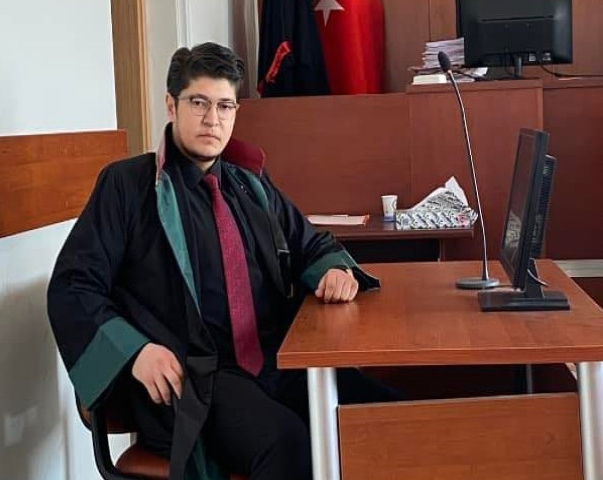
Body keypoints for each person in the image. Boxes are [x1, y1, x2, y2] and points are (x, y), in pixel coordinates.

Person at [48, 42, 395, 480]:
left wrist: (334, 270)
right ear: (171, 105)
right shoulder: (128, 186)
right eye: (199, 103)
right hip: (193, 379)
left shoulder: (250, 185)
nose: (213, 119)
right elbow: (73, 285)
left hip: (273, 362)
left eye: (225, 106)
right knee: (288, 447)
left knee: (386, 417)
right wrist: (135, 352)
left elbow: (309, 243)